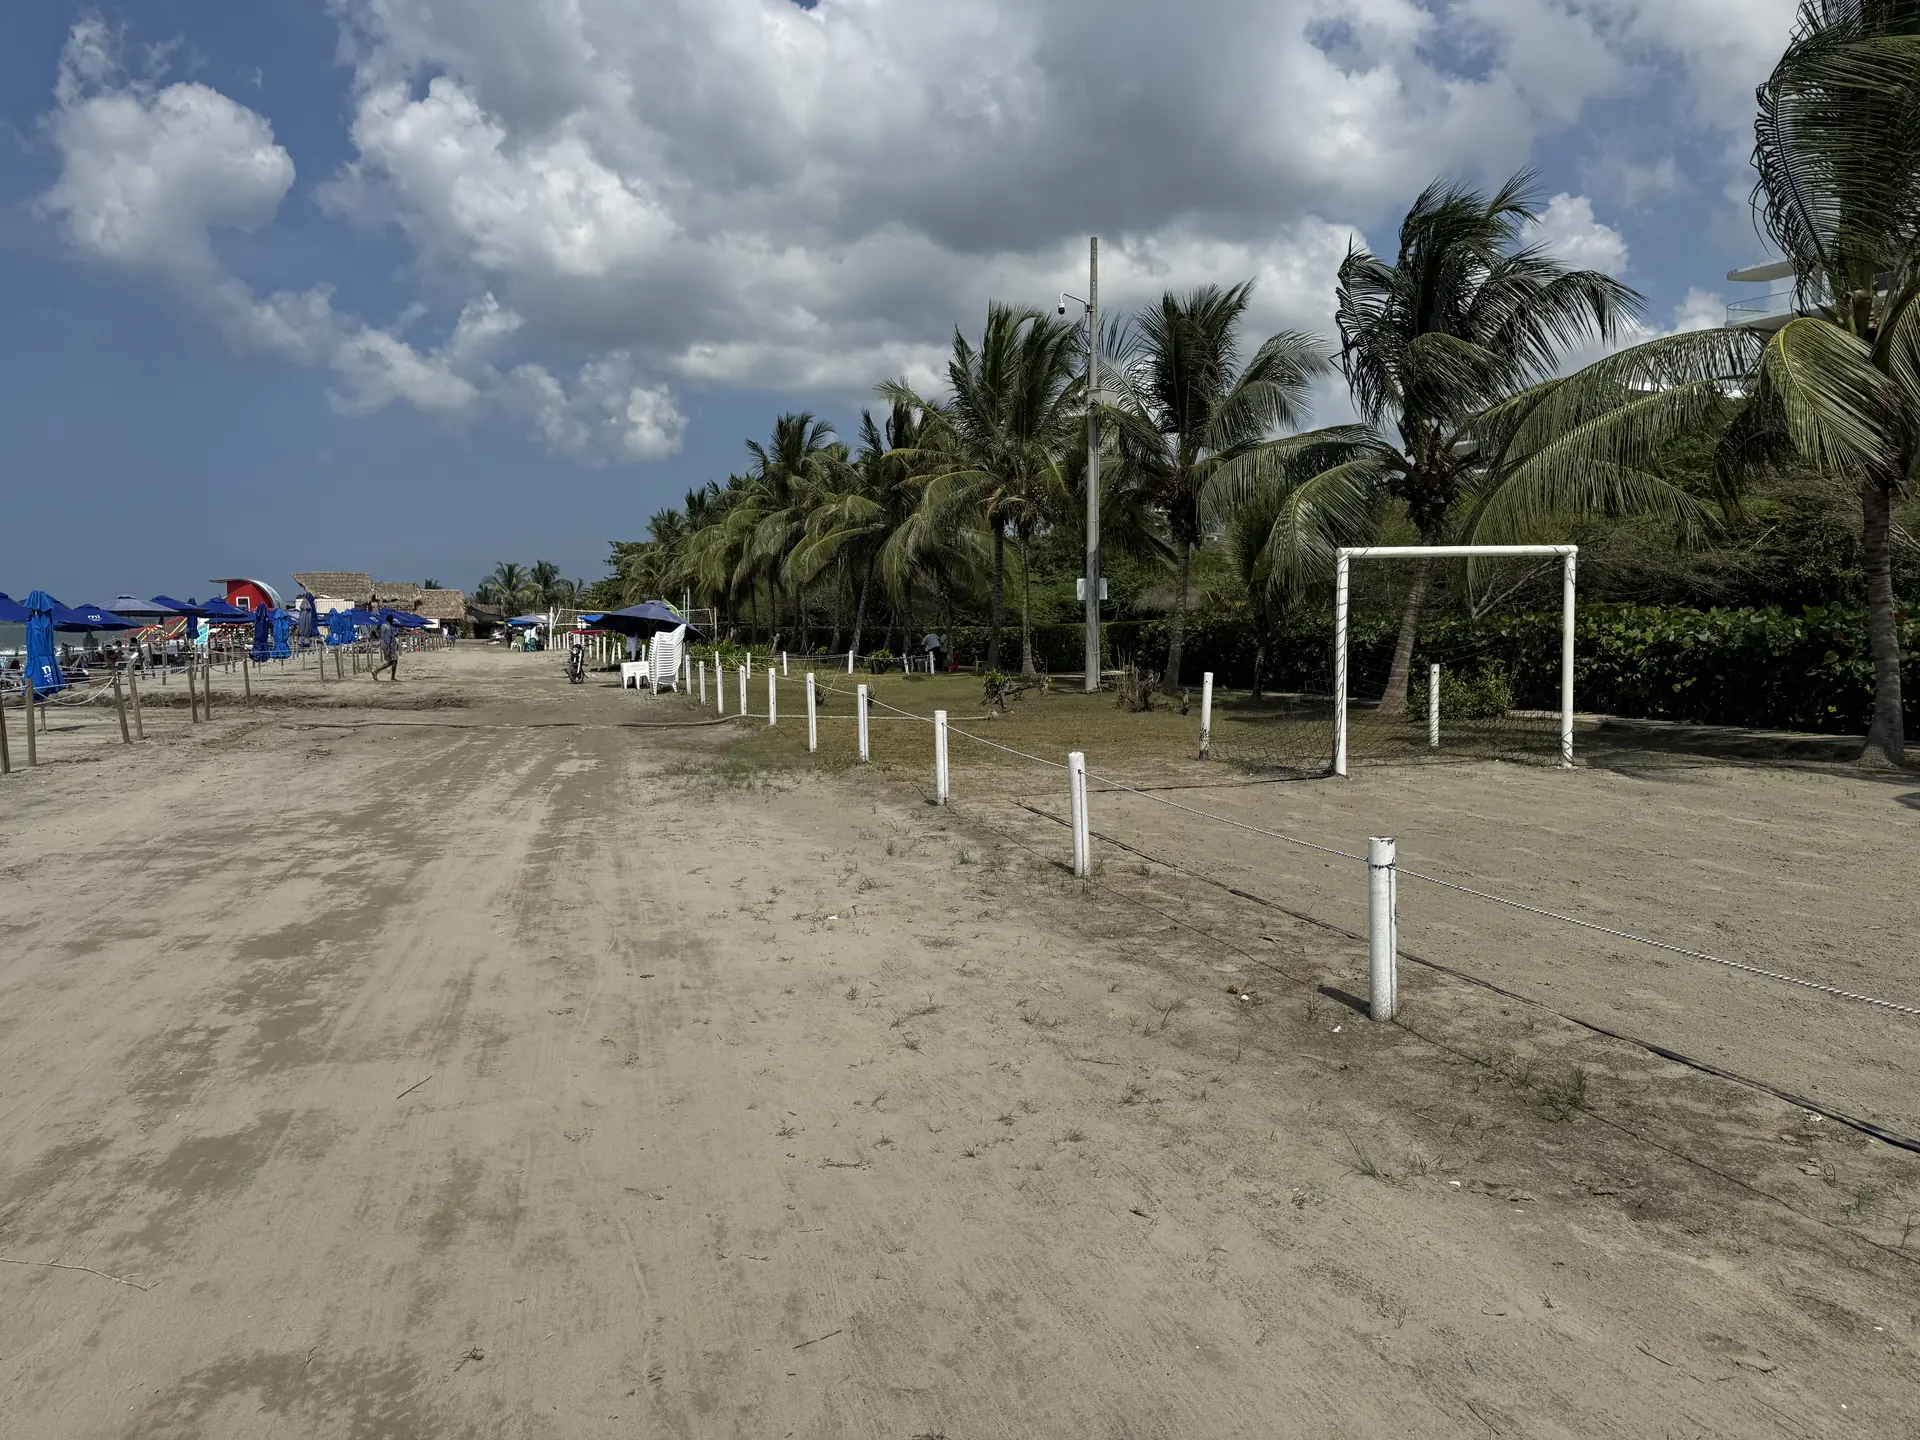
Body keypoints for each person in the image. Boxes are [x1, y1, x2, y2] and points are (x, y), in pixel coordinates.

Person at [370, 615, 401, 681]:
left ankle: (377, 672)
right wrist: (389, 648)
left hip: (384, 644)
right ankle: (377, 672)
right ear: (391, 621)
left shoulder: (383, 625)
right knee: (394, 660)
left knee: (391, 661)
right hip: (390, 646)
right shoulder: (388, 627)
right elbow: (388, 639)